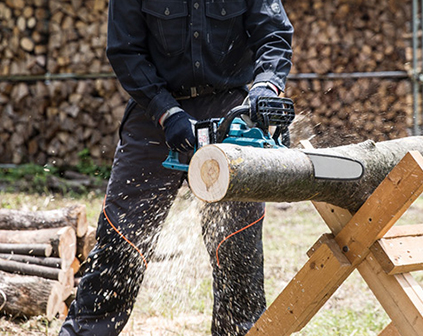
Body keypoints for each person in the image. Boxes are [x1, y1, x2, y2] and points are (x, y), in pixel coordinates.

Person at [59, 0, 293, 335]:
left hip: (230, 106)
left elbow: (274, 34)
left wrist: (264, 87)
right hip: (154, 107)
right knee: (122, 241)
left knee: (237, 249)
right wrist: (166, 111)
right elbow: (126, 52)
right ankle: (88, 328)